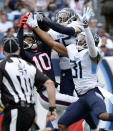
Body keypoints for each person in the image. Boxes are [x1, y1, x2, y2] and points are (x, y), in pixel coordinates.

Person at [26, 9, 113, 130]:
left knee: (88, 102)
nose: (61, 20)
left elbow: (65, 30)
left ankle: (92, 127)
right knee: (65, 104)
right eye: (60, 18)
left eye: (64, 17)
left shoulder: (77, 28)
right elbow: (49, 41)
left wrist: (45, 20)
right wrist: (36, 26)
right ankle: (59, 127)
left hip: (83, 71)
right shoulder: (70, 47)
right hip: (67, 69)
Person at [17, 14, 79, 131]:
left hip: (53, 91)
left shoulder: (42, 48)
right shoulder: (26, 56)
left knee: (59, 125)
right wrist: (21, 27)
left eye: (30, 39)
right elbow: (19, 44)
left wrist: (36, 24)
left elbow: (44, 37)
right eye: (25, 40)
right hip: (45, 94)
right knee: (82, 103)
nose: (27, 42)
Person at [0, 36, 57, 131]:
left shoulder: (2, 65)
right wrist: (52, 109)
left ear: (3, 52)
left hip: (15, 109)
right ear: (19, 50)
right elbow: (50, 84)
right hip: (30, 111)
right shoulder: (29, 65)